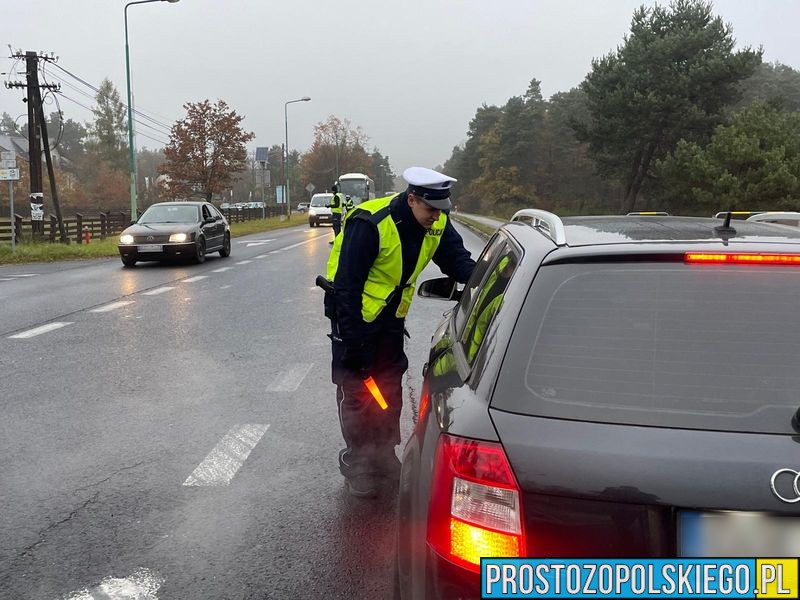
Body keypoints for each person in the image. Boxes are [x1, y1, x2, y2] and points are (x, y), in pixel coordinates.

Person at [322, 166, 476, 498]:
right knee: (357, 390)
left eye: (441, 210)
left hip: (391, 320)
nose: (436, 217)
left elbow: (459, 262)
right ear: (411, 200)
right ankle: (358, 462)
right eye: (430, 209)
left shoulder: (437, 224)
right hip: (353, 318)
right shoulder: (370, 223)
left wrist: (491, 276)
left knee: (389, 388)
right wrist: (354, 343)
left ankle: (383, 452)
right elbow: (348, 288)